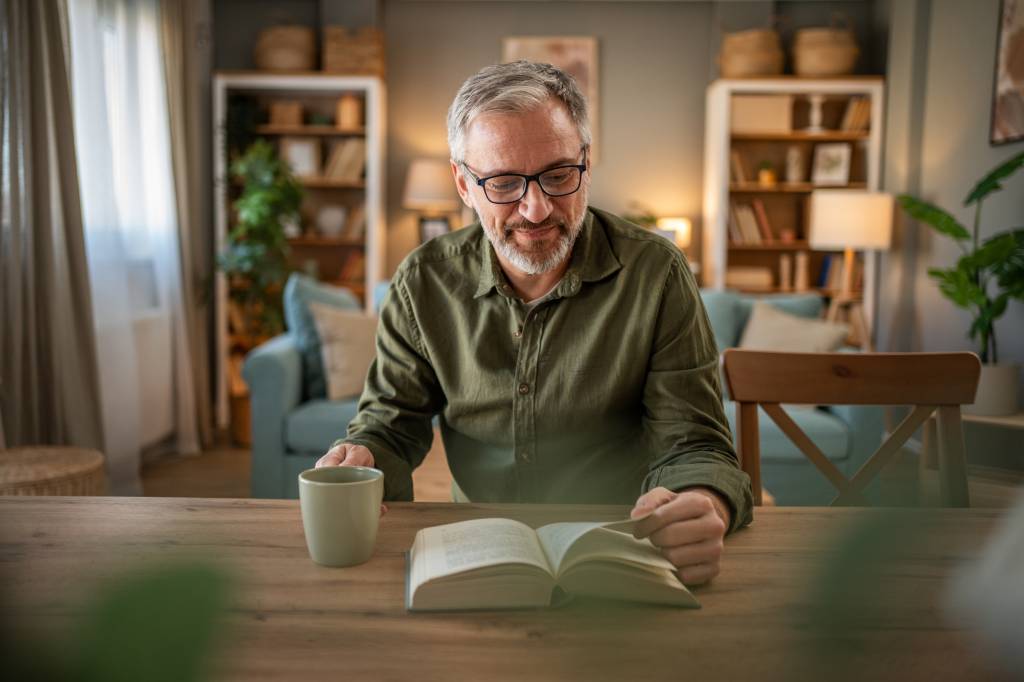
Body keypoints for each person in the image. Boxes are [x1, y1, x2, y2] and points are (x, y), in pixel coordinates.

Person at [317, 61, 753, 585]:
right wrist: (363, 457)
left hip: (620, 551)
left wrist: (701, 502)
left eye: (558, 174)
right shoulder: (422, 282)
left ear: (586, 164)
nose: (537, 208)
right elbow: (390, 424)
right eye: (503, 182)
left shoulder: (656, 274)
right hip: (477, 551)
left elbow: (695, 444)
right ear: (463, 183)